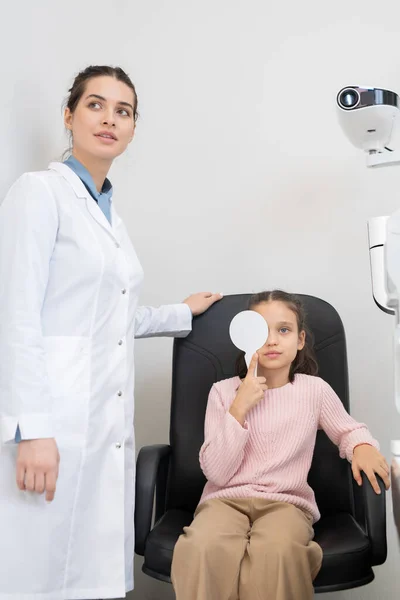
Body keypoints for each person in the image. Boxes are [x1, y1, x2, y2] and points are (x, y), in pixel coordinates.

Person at [0, 65, 222, 600]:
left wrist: (179, 312)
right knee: (38, 570)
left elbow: (113, 317)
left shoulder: (110, 217)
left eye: (123, 111)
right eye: (96, 105)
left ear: (133, 128)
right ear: (69, 115)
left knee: (86, 571)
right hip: (51, 421)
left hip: (99, 419)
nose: (109, 119)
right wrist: (31, 429)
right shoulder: (39, 193)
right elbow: (15, 314)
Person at [171, 290, 390, 600]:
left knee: (277, 552)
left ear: (300, 340)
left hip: (285, 503)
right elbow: (217, 472)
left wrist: (361, 446)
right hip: (224, 501)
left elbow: (348, 430)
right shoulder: (222, 393)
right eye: (261, 330)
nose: (272, 340)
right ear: (246, 336)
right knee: (202, 548)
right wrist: (239, 409)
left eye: (283, 330)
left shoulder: (313, 391)